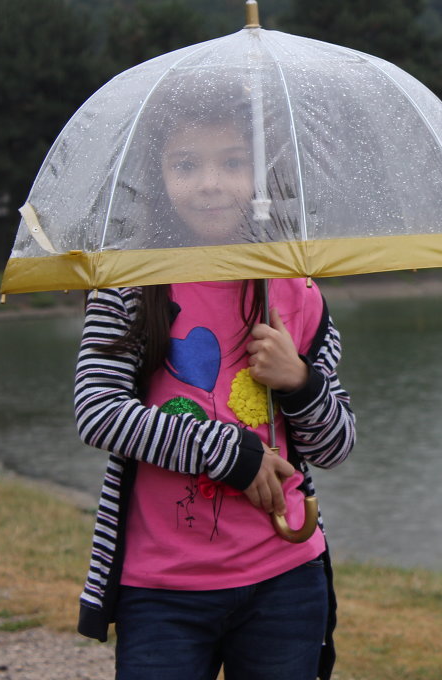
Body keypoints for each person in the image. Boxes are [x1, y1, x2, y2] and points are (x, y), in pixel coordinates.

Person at [73, 112, 356, 680]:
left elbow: (335, 445)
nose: (210, 183)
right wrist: (233, 454)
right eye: (186, 165)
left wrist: (299, 381)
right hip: (162, 589)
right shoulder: (128, 280)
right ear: (159, 174)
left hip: (284, 577)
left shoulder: (292, 287)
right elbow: (98, 412)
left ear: (260, 175)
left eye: (232, 162)